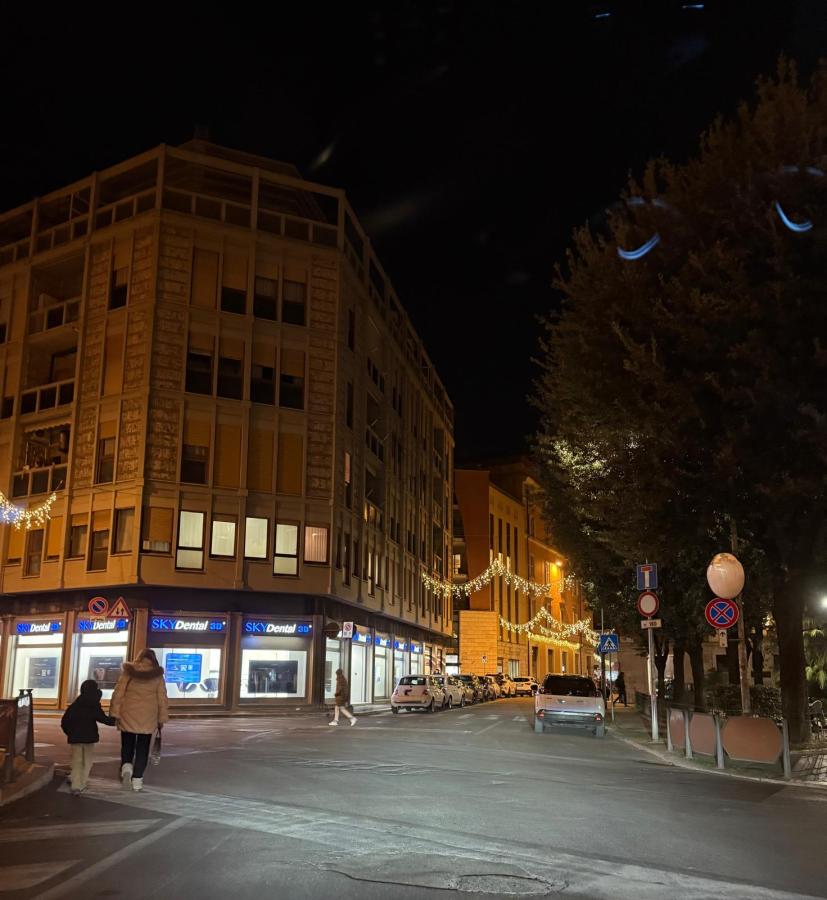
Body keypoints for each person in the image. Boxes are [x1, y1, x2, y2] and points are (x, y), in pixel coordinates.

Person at [110, 649, 168, 791]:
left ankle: (126, 767)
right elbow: (162, 699)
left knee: (127, 745)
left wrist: (115, 713)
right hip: (148, 717)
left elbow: (118, 693)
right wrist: (161, 718)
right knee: (142, 749)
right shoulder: (157, 676)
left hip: (128, 714)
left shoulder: (129, 671)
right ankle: (137, 781)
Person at [60, 679, 116, 795]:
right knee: (87, 761)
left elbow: (65, 722)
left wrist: (70, 733)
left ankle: (75, 785)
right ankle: (82, 783)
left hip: (75, 739)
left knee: (76, 761)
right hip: (89, 738)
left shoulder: (75, 704)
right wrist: (117, 721)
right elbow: (103, 719)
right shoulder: (94, 705)